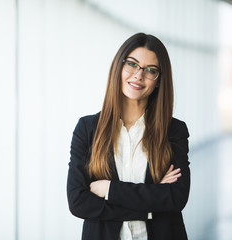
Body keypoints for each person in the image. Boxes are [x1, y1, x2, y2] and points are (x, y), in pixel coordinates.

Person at [67, 33, 190, 240]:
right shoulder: (87, 129)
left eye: (151, 70)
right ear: (119, 67)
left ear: (159, 81)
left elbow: (176, 198)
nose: (139, 75)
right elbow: (78, 202)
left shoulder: (173, 130)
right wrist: (152, 201)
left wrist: (109, 189)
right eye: (132, 64)